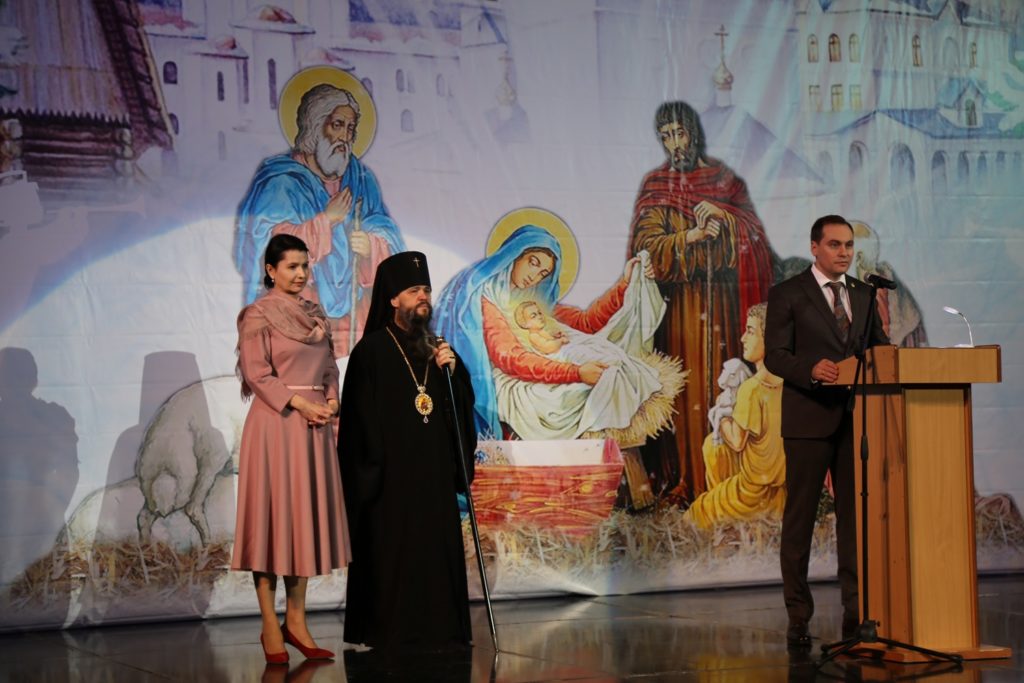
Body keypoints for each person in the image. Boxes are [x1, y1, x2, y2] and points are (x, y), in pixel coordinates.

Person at [628, 101, 775, 503]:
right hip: (678, 310)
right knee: (685, 391)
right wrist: (690, 237)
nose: (675, 143)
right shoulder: (656, 185)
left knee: (723, 383)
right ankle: (684, 479)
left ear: (693, 133)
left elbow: (755, 239)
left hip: (723, 304)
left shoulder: (724, 181)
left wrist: (725, 218)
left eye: (680, 133)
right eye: (666, 136)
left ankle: (726, 479)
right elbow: (645, 245)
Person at [337, 251, 477, 650]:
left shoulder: (438, 349)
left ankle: (441, 629)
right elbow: (358, 426)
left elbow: (461, 404)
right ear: (393, 298)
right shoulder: (370, 352)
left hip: (433, 474)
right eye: (414, 290)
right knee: (392, 556)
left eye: (426, 290)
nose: (423, 297)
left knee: (435, 554)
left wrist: (454, 373)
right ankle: (390, 632)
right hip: (390, 479)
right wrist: (373, 474)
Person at [764, 215, 890, 649]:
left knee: (854, 520)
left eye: (849, 245)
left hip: (856, 421)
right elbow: (775, 355)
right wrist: (810, 369)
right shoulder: (788, 293)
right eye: (835, 245)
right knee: (799, 520)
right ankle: (798, 616)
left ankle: (856, 612)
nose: (844, 253)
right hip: (808, 419)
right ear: (815, 247)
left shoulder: (864, 294)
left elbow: (878, 348)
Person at [231, 233, 351, 664]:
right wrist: (301, 403)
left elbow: (329, 368)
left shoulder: (315, 315)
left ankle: (296, 622)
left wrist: (331, 401)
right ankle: (270, 624)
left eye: (304, 266)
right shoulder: (258, 315)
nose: (300, 274)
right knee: (271, 524)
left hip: (313, 429)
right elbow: (257, 374)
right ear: (271, 270)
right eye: (291, 267)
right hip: (276, 425)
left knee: (301, 524)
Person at [434, 225, 655, 439]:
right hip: (503, 379)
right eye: (533, 263)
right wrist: (576, 372)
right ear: (515, 255)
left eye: (543, 273)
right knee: (570, 396)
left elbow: (584, 322)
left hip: (536, 366)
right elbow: (511, 358)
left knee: (610, 362)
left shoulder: (530, 300)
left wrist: (625, 284)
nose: (535, 277)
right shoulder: (487, 300)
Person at [235, 83, 406, 356]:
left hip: (354, 317)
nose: (345, 137)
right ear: (314, 126)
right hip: (299, 312)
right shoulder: (283, 181)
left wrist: (372, 247)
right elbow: (268, 247)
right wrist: (326, 221)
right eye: (337, 125)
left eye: (350, 129)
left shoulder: (361, 179)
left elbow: (386, 232)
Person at [685, 304, 785, 529]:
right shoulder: (789, 382)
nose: (742, 338)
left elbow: (737, 441)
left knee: (691, 519)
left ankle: (728, 516)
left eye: (750, 331)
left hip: (751, 494)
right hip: (780, 492)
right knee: (713, 448)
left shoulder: (751, 388)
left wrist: (720, 417)